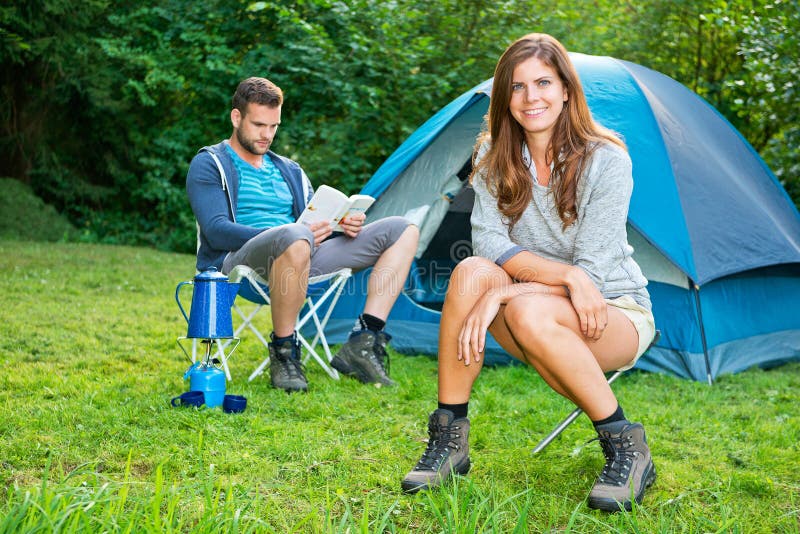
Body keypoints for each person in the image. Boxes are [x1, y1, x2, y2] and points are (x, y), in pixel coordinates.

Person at [400, 34, 657, 512]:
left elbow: (594, 274)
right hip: (533, 310)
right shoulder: (494, 156)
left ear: (565, 89)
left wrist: (511, 295)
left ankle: (626, 446)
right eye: (517, 87)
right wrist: (532, 287)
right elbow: (490, 243)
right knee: (472, 272)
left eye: (543, 82)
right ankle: (449, 437)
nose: (531, 97)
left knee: (524, 307)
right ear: (505, 98)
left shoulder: (606, 160)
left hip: (612, 312)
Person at [186, 77, 419, 392]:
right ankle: (284, 350)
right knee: (295, 235)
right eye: (259, 125)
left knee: (403, 230)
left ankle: (363, 341)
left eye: (274, 126)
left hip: (301, 257)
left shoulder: (290, 171)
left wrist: (340, 226)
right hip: (242, 265)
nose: (267, 135)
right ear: (236, 117)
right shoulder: (210, 163)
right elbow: (216, 231)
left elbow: (308, 226)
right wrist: (288, 233)